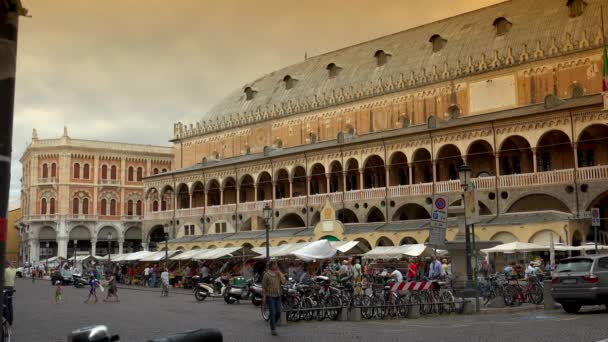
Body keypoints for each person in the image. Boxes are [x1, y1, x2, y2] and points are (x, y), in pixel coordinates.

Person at [262, 260, 285, 336]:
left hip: (278, 295)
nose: (276, 266)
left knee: (278, 312)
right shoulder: (266, 275)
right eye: (275, 265)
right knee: (273, 313)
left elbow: (284, 281)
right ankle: (273, 328)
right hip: (270, 296)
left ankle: (272, 322)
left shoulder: (278, 274)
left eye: (276, 264)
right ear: (271, 266)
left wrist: (280, 273)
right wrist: (264, 297)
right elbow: (264, 287)